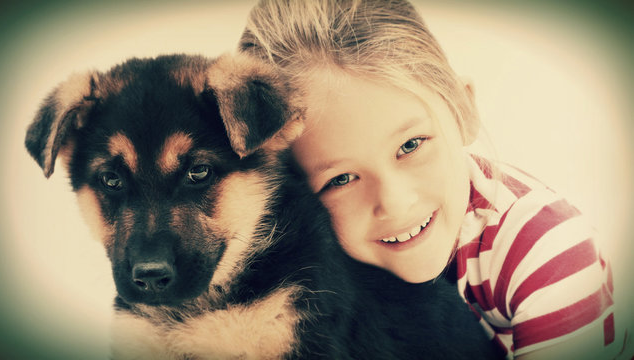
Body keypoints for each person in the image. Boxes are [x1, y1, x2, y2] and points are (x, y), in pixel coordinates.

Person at [238, 0, 627, 358]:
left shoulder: (547, 250)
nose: (394, 201)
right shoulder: (297, 263)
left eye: (411, 145)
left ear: (463, 111)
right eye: (341, 179)